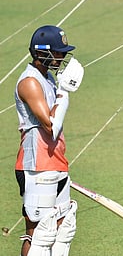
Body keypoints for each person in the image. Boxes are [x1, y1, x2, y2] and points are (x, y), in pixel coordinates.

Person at [14, 25, 84, 256]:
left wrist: (61, 87)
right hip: (36, 166)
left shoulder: (49, 78)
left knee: (63, 230)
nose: (63, 57)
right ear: (42, 52)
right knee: (39, 234)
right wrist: (64, 91)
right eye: (59, 52)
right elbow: (51, 126)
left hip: (57, 162)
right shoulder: (29, 82)